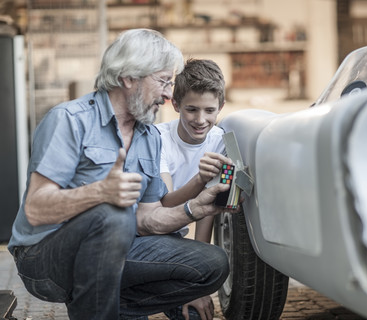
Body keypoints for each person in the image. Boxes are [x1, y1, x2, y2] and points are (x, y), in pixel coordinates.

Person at [8, 28, 235, 320]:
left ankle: (114, 310)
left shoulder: (149, 136)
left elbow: (148, 220)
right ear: (129, 78)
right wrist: (99, 193)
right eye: (164, 81)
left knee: (212, 262)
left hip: (115, 249)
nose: (169, 94)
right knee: (113, 215)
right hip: (44, 258)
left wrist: (196, 208)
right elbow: (36, 209)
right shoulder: (69, 120)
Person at [156, 58, 227, 243]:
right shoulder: (158, 139)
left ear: (220, 107)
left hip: (179, 234)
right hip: (154, 232)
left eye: (209, 110)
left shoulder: (220, 141)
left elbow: (208, 203)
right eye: (192, 109)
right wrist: (200, 179)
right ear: (176, 105)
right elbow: (165, 204)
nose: (201, 119)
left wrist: (201, 249)